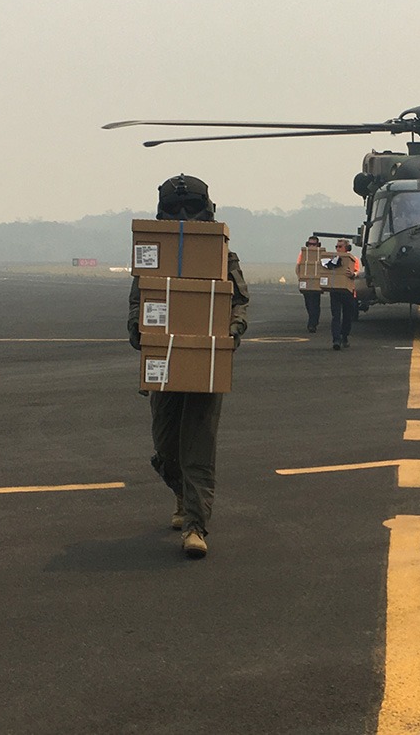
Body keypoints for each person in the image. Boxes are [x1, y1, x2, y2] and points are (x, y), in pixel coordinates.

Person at [127, 174, 250, 559]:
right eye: (175, 208)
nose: (183, 215)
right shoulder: (153, 253)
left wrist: (231, 332)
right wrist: (138, 330)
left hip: (205, 359)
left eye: (190, 207)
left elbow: (238, 300)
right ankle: (180, 492)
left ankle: (196, 526)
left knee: (198, 446)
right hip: (164, 359)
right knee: (165, 446)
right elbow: (139, 299)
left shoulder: (221, 255)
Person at [327, 238, 359, 350]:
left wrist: (353, 274)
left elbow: (357, 272)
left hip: (348, 292)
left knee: (347, 317)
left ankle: (344, 336)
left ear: (346, 248)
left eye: (340, 246)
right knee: (335, 316)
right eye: (336, 246)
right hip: (335, 291)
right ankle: (336, 339)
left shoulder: (353, 259)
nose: (337, 248)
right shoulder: (333, 259)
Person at [297, 235, 323, 332]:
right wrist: (300, 277)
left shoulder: (321, 254)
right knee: (308, 303)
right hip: (306, 281)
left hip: (316, 282)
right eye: (309, 244)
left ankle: (312, 323)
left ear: (318, 245)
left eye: (313, 244)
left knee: (315, 303)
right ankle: (313, 320)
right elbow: (299, 266)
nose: (311, 246)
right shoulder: (304, 254)